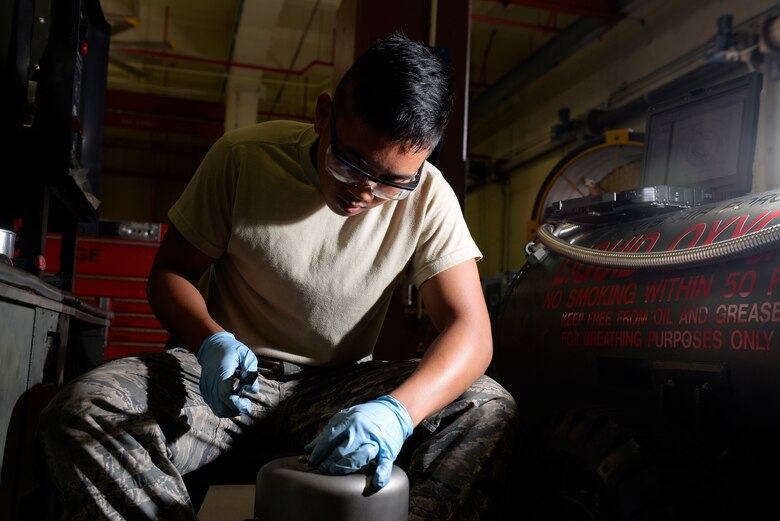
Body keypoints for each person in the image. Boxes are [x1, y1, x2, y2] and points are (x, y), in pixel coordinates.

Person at [38, 33, 518, 520]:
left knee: (485, 406)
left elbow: (472, 333)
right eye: (349, 163)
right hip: (224, 381)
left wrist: (399, 412)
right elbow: (170, 273)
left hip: (336, 392)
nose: (363, 194)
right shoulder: (245, 159)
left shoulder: (428, 196)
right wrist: (211, 343)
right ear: (323, 116)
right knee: (85, 410)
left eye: (391, 183)